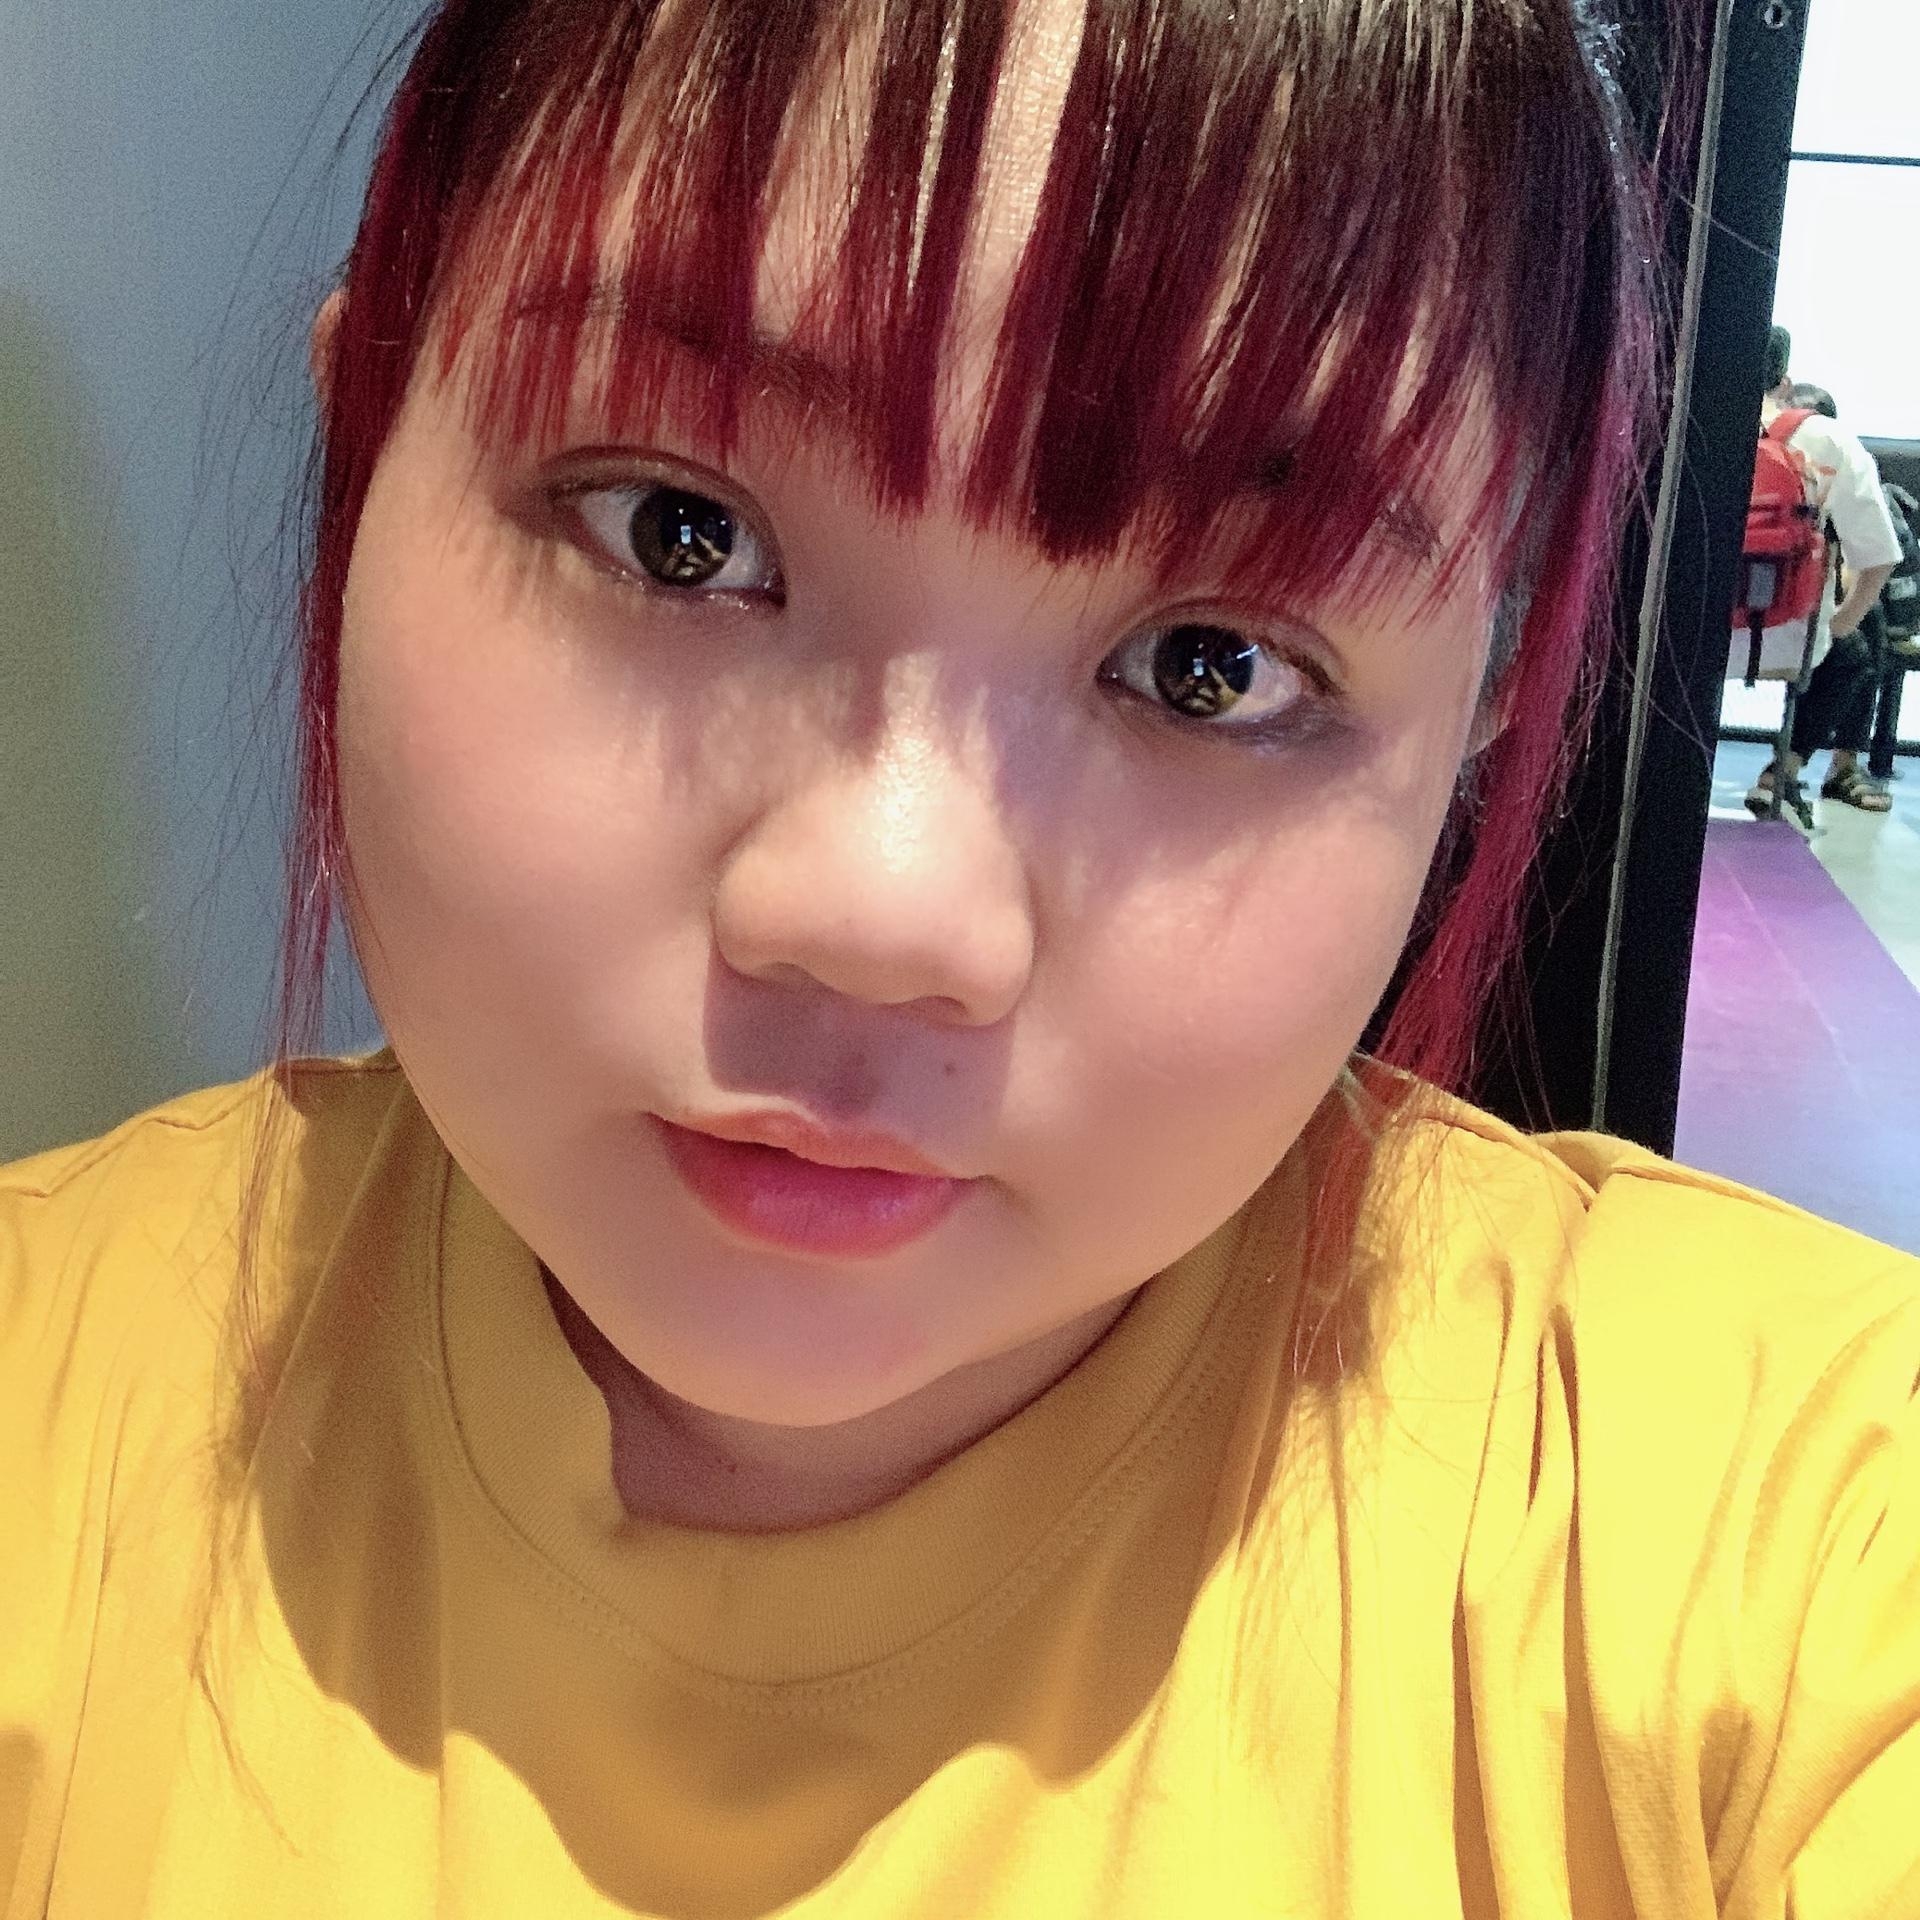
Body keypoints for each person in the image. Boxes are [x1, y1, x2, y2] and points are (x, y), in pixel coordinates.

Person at [4, 3, 1917, 1915]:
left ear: (1478, 709)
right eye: (679, 535)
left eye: (1209, 670)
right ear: (364, 450)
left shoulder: (1788, 1530)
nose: (884, 916)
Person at [1738, 334, 1902, 818]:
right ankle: (1781, 774)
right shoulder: (1828, 440)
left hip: (1677, 637)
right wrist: (1838, 625)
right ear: (1783, 381)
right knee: (1851, 654)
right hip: (1787, 639)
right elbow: (1880, 556)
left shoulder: (1677, 419)